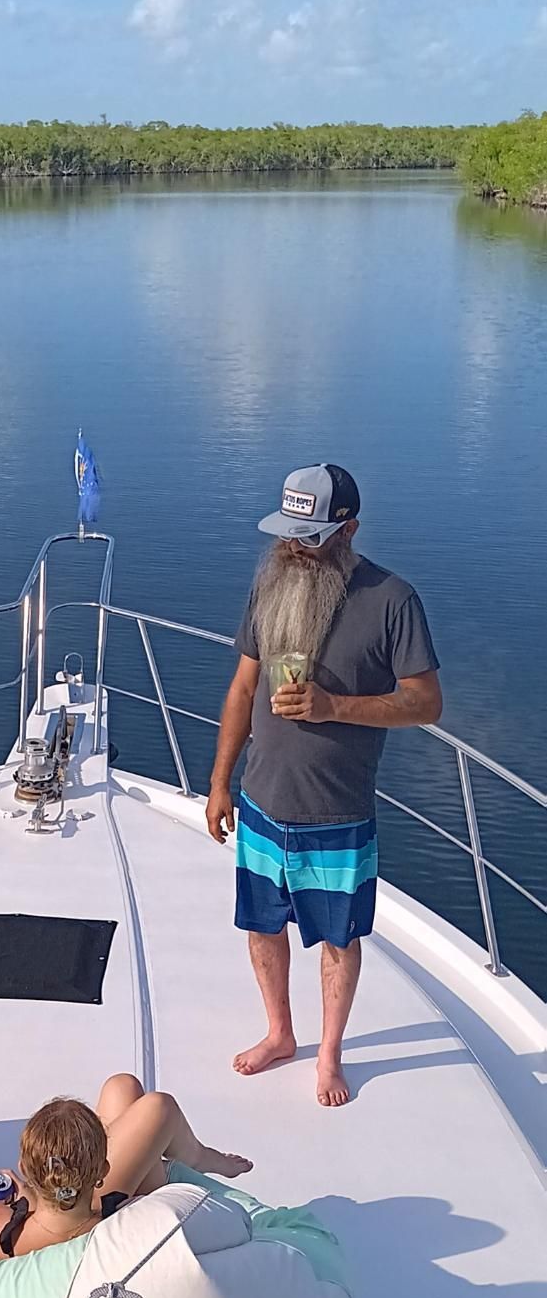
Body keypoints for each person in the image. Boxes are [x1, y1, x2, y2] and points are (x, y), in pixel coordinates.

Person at [206, 464, 442, 1107]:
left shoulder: (393, 600)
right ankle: (280, 1033)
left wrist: (334, 708)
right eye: (287, 533)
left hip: (337, 814)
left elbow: (425, 703)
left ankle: (330, 1054)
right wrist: (221, 781)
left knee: (339, 940)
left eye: (308, 535)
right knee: (261, 927)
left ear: (349, 529)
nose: (293, 547)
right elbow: (243, 688)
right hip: (260, 802)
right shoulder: (270, 585)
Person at [0, 1075, 251, 1263]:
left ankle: (198, 1156)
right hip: (98, 1215)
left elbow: (47, 1233)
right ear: (104, 1170)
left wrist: (27, 1200)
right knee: (156, 1104)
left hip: (69, 1217)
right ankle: (200, 1158)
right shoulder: (131, 1215)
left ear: (25, 1169)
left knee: (122, 1088)